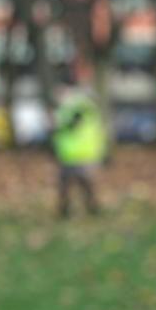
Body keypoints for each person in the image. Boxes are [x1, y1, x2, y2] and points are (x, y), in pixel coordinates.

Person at [51, 81, 105, 219]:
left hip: (83, 153)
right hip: (68, 154)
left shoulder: (80, 107)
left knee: (84, 182)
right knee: (66, 184)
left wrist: (57, 123)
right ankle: (66, 210)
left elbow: (72, 124)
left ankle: (92, 208)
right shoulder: (65, 108)